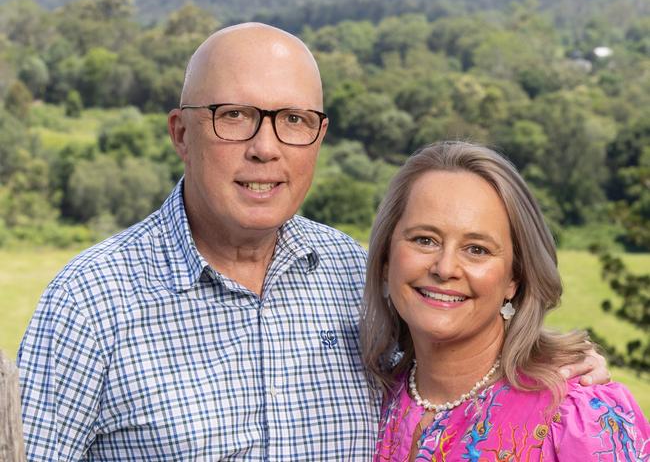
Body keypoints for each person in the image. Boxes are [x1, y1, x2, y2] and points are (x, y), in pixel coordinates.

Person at [18, 24, 609, 461]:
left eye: (293, 120)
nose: (265, 147)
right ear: (181, 132)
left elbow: (456, 357)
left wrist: (548, 362)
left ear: (318, 136)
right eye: (234, 115)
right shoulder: (89, 303)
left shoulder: (360, 278)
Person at [361, 141, 649, 461]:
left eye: (477, 249)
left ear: (515, 278)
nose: (444, 268)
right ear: (386, 259)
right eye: (424, 240)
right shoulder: (367, 397)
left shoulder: (577, 416)